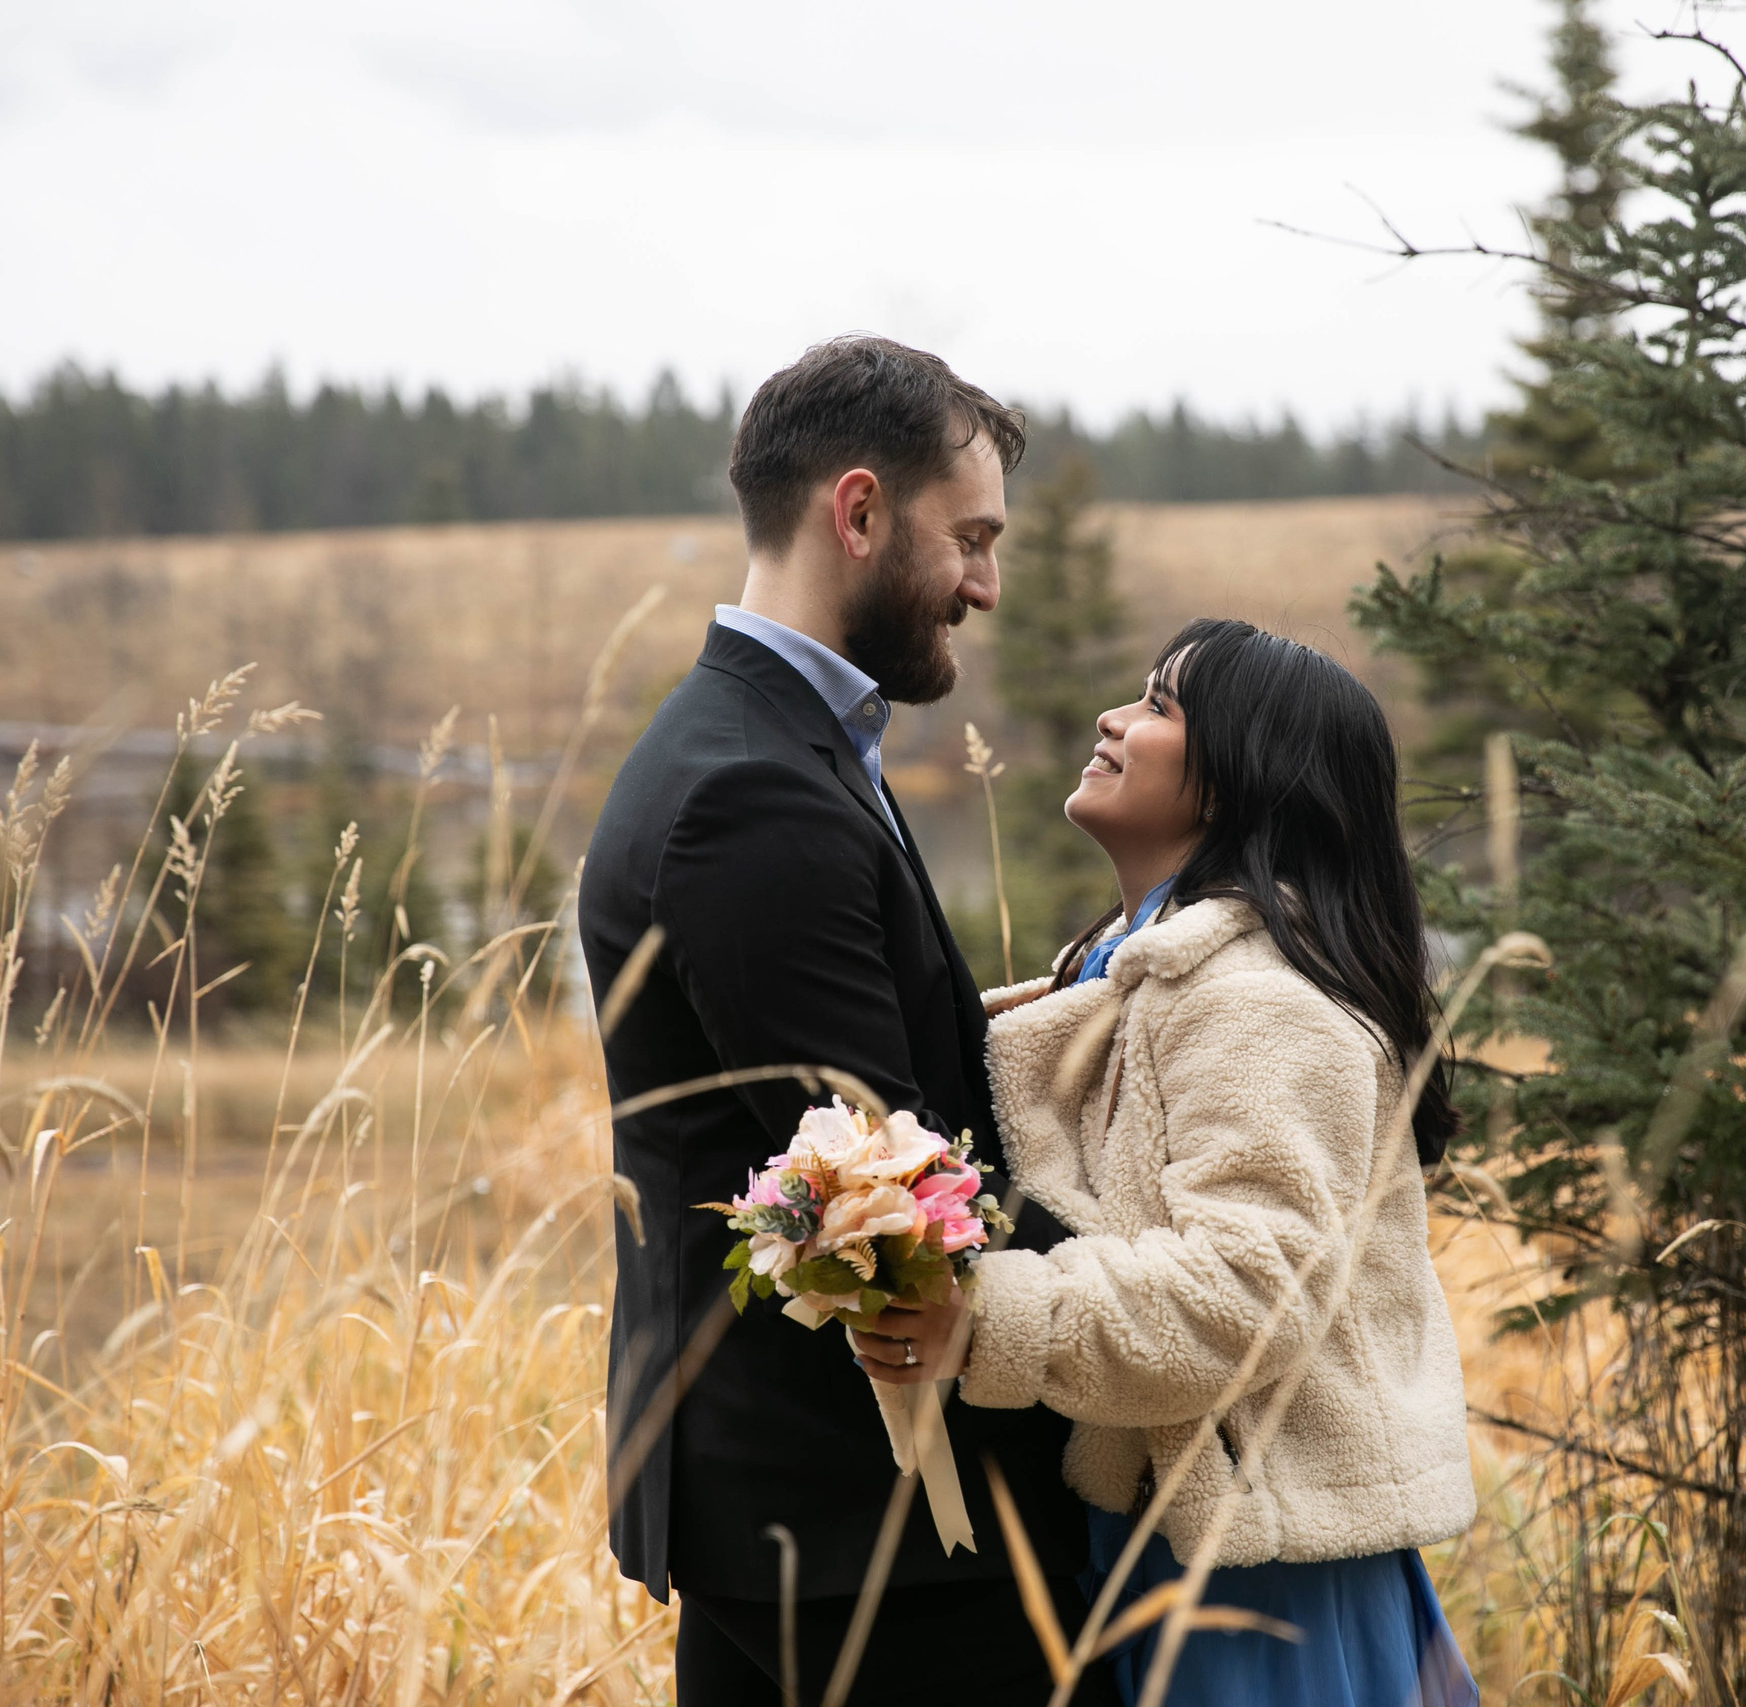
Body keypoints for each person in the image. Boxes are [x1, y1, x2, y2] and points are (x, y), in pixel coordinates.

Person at [578, 336, 1114, 1707]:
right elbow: (889, 1177)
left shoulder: (766, 743)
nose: (988, 583)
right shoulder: (755, 789)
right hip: (860, 1520)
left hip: (800, 1506)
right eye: (973, 537)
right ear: (860, 510)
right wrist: (1172, 1282)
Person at [859, 619, 1482, 1707]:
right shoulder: (1137, 978)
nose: (1113, 719)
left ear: (1244, 778)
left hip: (1265, 1583)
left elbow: (1246, 1293)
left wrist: (980, 1319)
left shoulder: (1262, 1005)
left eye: (1158, 705)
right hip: (1190, 1540)